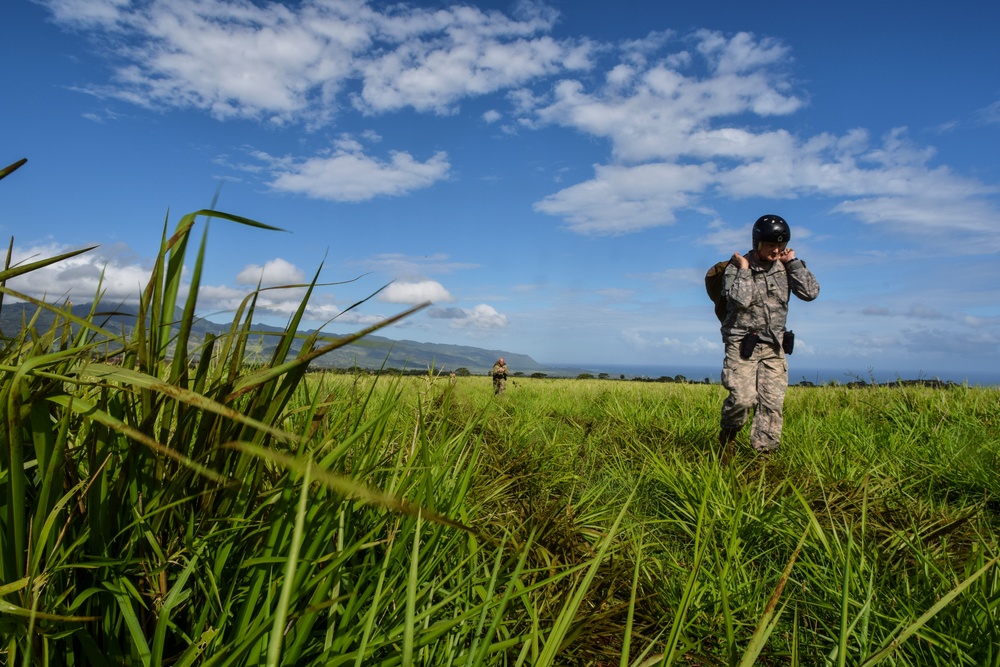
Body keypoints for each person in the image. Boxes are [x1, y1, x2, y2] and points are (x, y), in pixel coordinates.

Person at [718, 214, 820, 461]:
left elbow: (810, 293)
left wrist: (793, 263)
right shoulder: (736, 267)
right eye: (771, 245)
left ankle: (764, 458)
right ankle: (727, 440)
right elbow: (740, 301)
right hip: (742, 345)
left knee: (772, 405)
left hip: (774, 346)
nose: (776, 251)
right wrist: (744, 270)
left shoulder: (786, 266)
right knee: (742, 400)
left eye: (781, 246)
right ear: (757, 243)